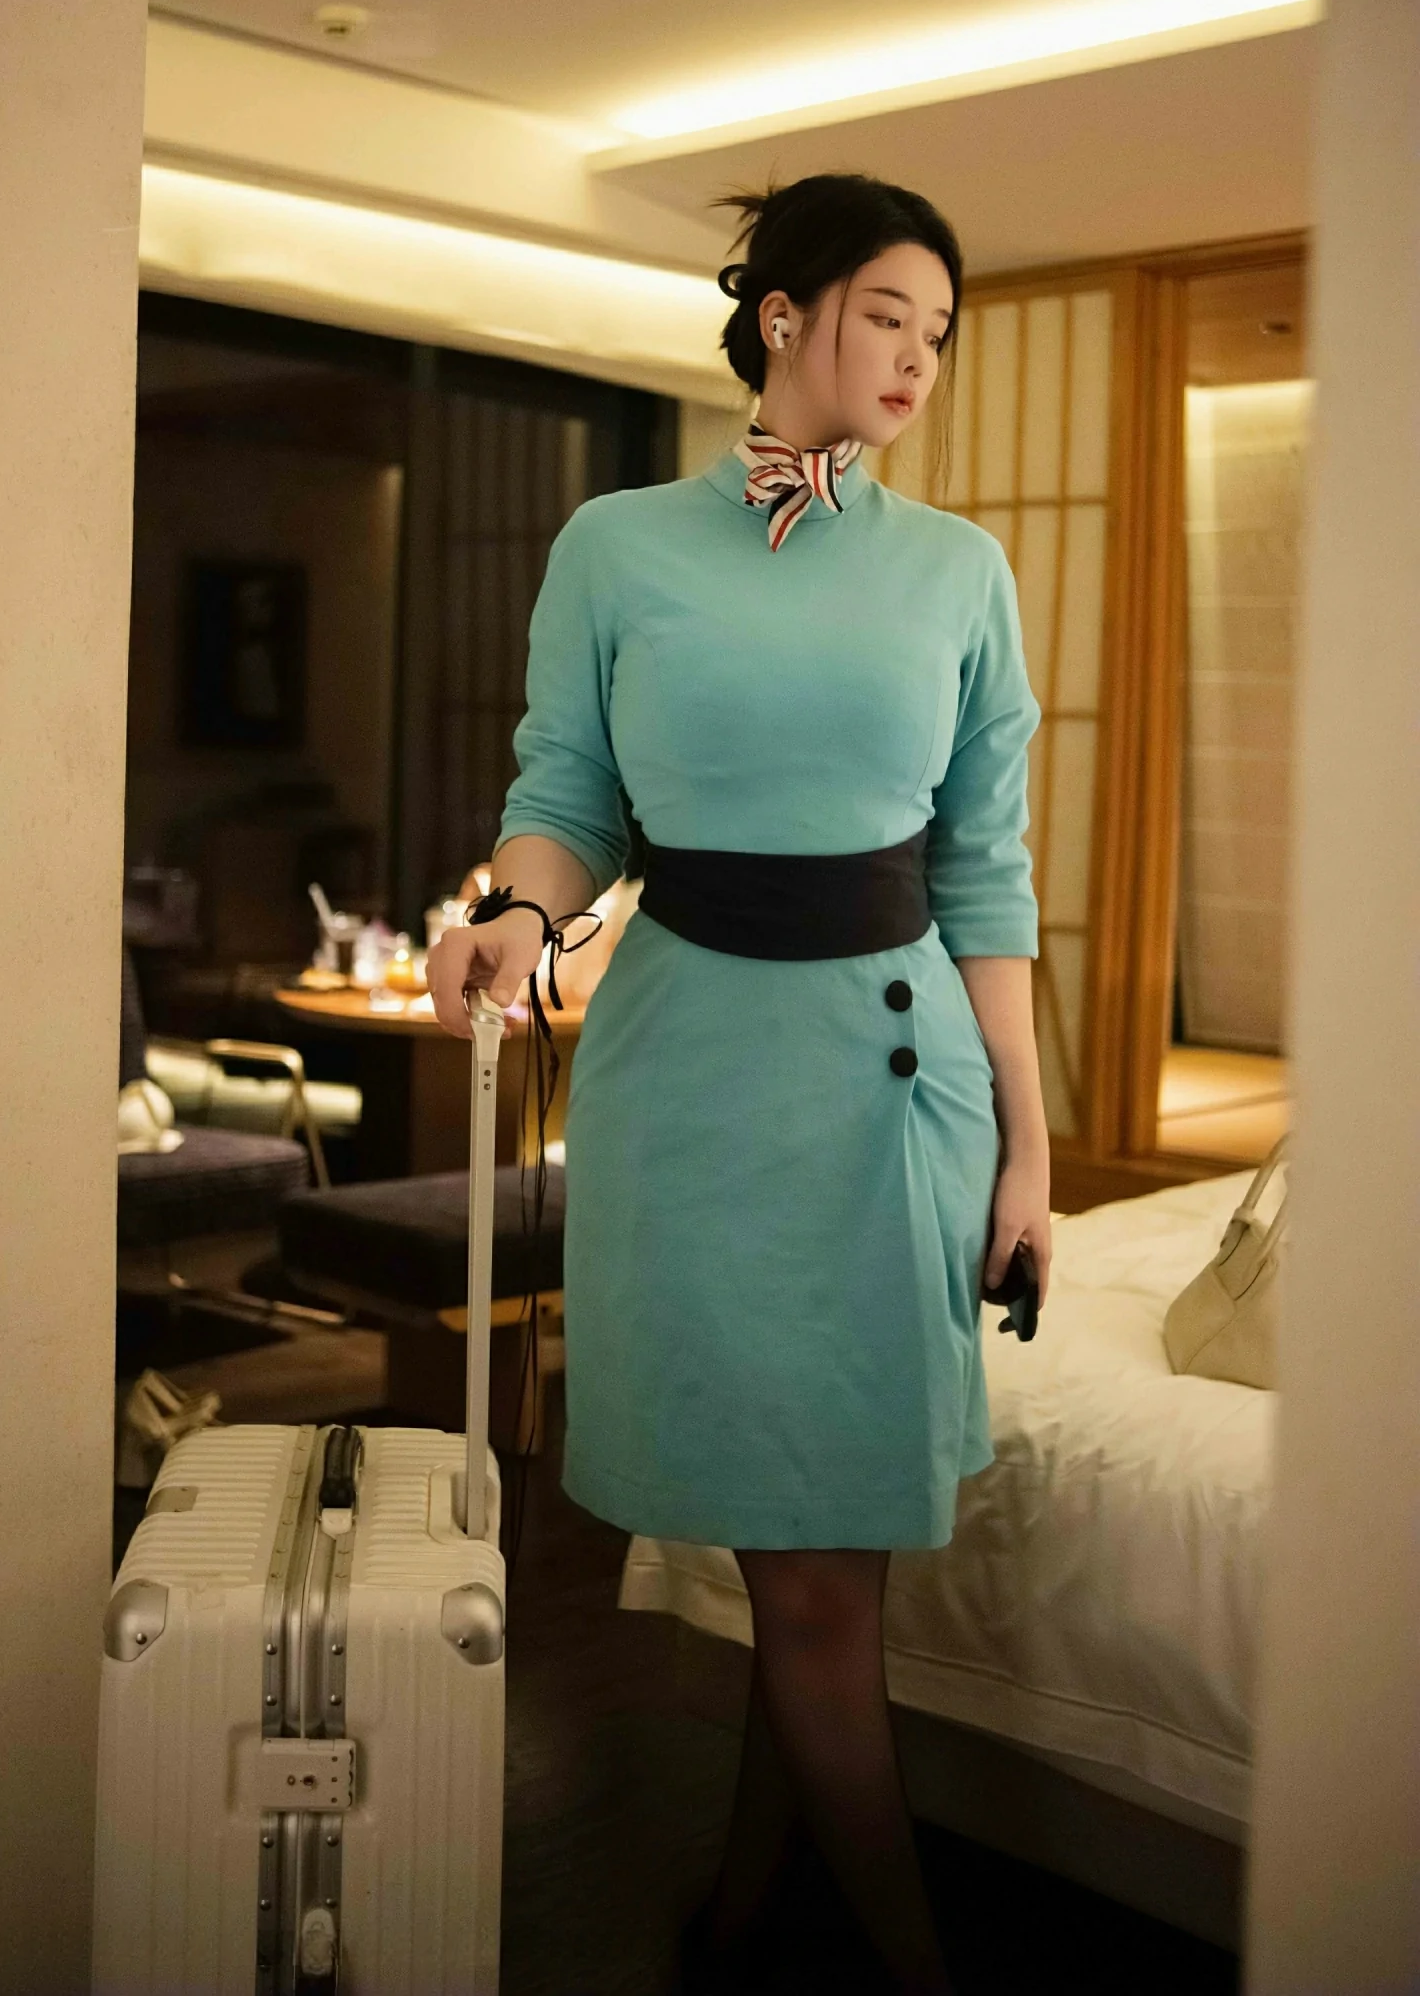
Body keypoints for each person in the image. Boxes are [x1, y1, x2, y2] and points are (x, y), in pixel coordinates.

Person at [430, 172, 1051, 1993]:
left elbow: (987, 874)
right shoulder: (616, 545)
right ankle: (804, 1933)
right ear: (783, 316)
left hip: (894, 1083)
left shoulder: (960, 571)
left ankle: (755, 1921)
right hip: (692, 1074)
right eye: (887, 316)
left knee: (827, 1570)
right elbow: (567, 794)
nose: (919, 359)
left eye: (942, 333)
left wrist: (1027, 1152)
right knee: (809, 1570)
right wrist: (510, 912)